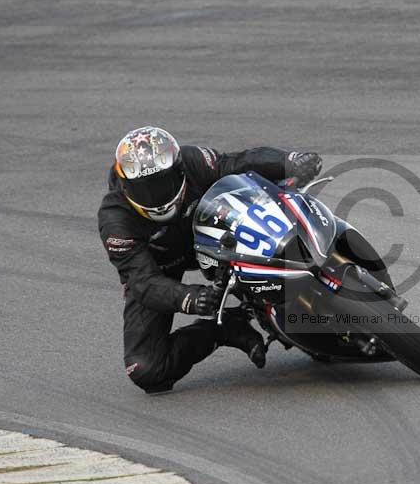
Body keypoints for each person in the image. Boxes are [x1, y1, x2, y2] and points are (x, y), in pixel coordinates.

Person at [98, 126, 322, 394]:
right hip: (159, 268)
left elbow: (236, 163)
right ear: (125, 186)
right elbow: (142, 281)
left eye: (163, 183)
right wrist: (188, 297)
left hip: (216, 235)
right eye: (145, 189)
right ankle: (227, 328)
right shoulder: (115, 219)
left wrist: (288, 162)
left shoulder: (192, 160)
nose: (156, 196)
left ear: (179, 170)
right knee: (146, 369)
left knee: (268, 196)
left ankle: (316, 258)